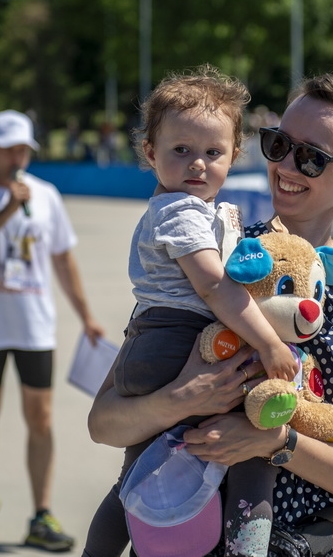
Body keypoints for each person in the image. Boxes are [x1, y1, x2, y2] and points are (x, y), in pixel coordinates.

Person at [83, 72, 333, 557]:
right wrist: (181, 399)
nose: (287, 165)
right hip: (179, 536)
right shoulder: (215, 253)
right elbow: (104, 422)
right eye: (278, 144)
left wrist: (271, 441)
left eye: (312, 157)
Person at [84, 65, 299, 557]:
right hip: (176, 344)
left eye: (212, 152)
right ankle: (249, 545)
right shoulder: (181, 211)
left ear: (233, 156)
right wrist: (268, 344)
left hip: (155, 344)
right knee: (254, 449)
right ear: (150, 153)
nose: (197, 164)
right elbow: (214, 287)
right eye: (181, 150)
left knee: (137, 478)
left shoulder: (193, 209)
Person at [0, 109, 105, 551]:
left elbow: (62, 259)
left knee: (41, 419)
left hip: (36, 326)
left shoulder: (47, 195)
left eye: (25, 148)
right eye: (10, 148)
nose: (20, 156)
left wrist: (86, 315)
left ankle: (41, 514)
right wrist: (6, 210)